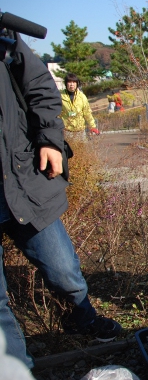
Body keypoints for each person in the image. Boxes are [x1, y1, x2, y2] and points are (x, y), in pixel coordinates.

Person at [0, 32, 121, 370]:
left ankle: (83, 318)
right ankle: (15, 369)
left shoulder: (5, 42)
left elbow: (40, 88)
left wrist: (50, 139)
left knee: (63, 268)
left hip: (22, 179)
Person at [60, 73, 99, 141]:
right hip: (66, 130)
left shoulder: (82, 97)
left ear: (77, 84)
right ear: (66, 84)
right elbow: (56, 113)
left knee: (81, 151)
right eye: (69, 82)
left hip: (80, 131)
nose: (71, 84)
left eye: (74, 82)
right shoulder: (59, 96)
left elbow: (87, 113)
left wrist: (92, 126)